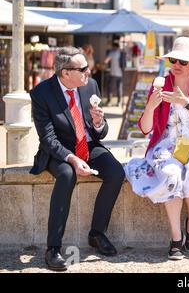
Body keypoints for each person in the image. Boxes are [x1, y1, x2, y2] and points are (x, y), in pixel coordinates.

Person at [124, 37, 189, 260]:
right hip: (168, 144)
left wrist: (186, 102)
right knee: (172, 174)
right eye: (173, 60)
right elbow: (145, 128)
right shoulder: (161, 83)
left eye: (183, 61)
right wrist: (150, 105)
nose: (176, 65)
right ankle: (176, 238)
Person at [30, 47, 125, 271]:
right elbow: (48, 139)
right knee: (67, 174)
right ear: (65, 73)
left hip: (88, 145)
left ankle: (97, 233)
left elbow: (99, 133)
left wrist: (99, 123)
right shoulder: (41, 93)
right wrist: (71, 158)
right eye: (83, 68)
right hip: (59, 151)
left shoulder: (89, 85)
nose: (88, 71)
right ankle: (53, 248)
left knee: (117, 173)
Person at [104, 42, 125, 106]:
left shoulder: (112, 53)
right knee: (119, 88)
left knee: (110, 87)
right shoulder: (121, 54)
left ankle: (109, 102)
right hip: (120, 74)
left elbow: (106, 61)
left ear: (114, 47)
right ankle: (119, 102)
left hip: (113, 73)